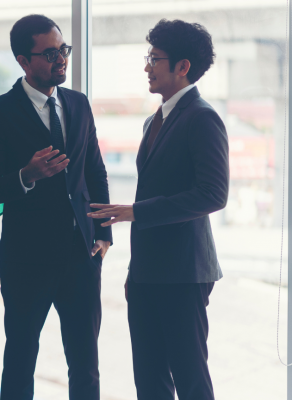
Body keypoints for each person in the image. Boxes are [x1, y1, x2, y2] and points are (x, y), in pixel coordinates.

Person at [88, 19, 228, 400]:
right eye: (147, 57)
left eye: (155, 58)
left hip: (184, 273)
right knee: (149, 380)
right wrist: (137, 270)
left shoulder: (202, 118)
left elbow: (213, 195)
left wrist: (136, 211)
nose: (147, 66)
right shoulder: (155, 119)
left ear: (182, 67)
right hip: (149, 272)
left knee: (190, 378)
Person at [0, 14, 112, 400]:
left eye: (63, 49)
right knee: (20, 360)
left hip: (82, 256)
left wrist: (103, 235)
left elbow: (95, 174)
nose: (61, 59)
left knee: (85, 363)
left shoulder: (79, 104)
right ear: (23, 60)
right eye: (50, 53)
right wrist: (26, 174)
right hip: (26, 260)